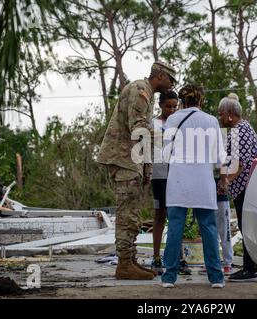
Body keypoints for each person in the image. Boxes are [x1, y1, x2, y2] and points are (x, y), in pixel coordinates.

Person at [97, 61, 176, 280]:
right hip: (124, 158)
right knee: (127, 213)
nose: (171, 84)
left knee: (132, 212)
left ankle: (129, 259)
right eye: (171, 78)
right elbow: (139, 128)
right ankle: (124, 263)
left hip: (132, 159)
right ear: (160, 76)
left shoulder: (146, 94)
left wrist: (147, 166)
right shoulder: (140, 91)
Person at [161, 84, 226, 289]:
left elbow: (165, 153)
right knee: (208, 228)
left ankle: (169, 277)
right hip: (203, 181)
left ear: (182, 101)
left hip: (178, 180)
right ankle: (216, 278)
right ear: (201, 100)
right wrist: (222, 178)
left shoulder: (172, 119)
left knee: (175, 229)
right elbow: (219, 158)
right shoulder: (211, 121)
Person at [217, 94, 257, 282]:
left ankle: (250, 269)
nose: (219, 117)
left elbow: (241, 163)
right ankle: (249, 267)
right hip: (245, 185)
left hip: (245, 186)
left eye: (221, 114)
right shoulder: (240, 128)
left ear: (229, 114)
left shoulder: (240, 131)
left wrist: (226, 181)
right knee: (245, 227)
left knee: (245, 227)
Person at [151, 90, 191, 276]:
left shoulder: (182, 123)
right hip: (159, 174)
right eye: (169, 106)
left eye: (175, 106)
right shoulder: (154, 124)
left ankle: (179, 258)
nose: (172, 110)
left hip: (179, 173)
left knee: (178, 214)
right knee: (160, 215)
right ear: (160, 105)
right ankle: (156, 258)